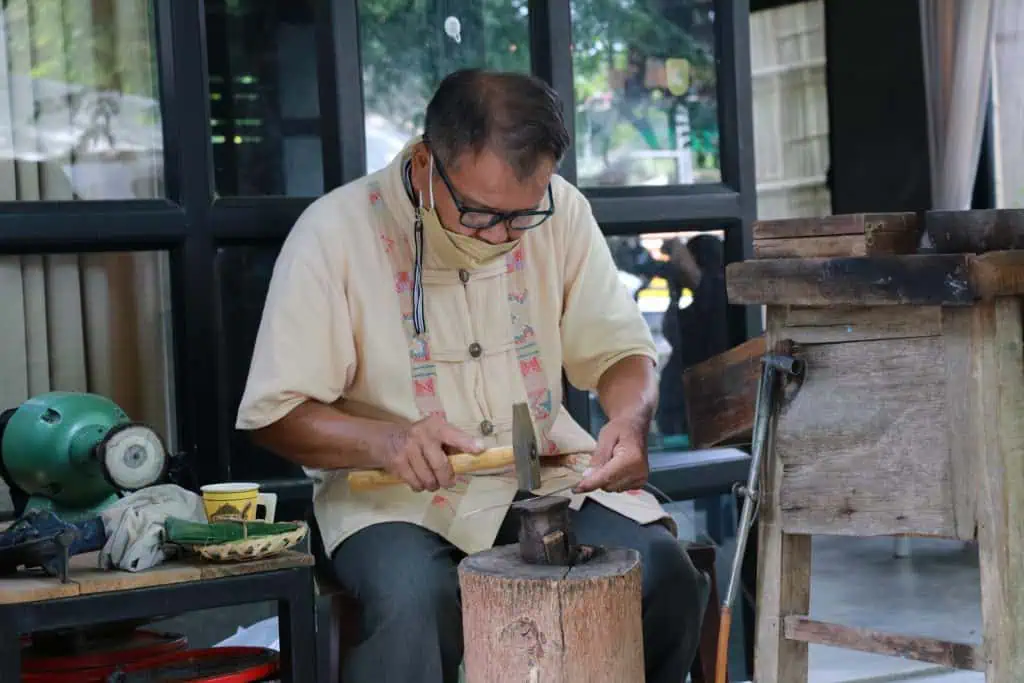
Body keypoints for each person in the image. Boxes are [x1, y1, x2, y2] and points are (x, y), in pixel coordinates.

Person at [235, 69, 706, 683]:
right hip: (393, 503)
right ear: (429, 163)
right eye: (484, 216)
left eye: (524, 215)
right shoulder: (334, 233)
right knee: (415, 602)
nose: (506, 237)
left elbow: (619, 350)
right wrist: (388, 440)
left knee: (661, 572)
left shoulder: (561, 210)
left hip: (544, 479)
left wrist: (629, 418)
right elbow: (276, 413)